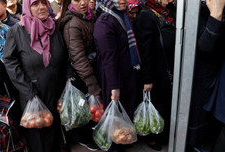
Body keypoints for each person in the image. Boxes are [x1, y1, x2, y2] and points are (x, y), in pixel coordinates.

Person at [3, 0, 67, 151]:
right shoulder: (16, 31)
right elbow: (10, 61)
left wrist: (68, 76)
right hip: (33, 91)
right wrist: (28, 89)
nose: (41, 7)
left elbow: (64, 55)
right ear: (27, 7)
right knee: (38, 135)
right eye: (35, 4)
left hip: (55, 89)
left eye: (44, 3)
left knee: (54, 129)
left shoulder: (53, 27)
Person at [93, 0, 141, 150]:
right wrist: (115, 87)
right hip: (114, 79)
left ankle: (122, 143)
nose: (122, 1)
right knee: (116, 119)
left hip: (126, 75)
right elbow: (109, 59)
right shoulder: (105, 23)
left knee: (123, 116)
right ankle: (115, 146)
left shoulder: (121, 16)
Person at [58, 0, 101, 151]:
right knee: (85, 109)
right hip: (80, 73)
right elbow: (78, 58)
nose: (83, 3)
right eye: (77, 0)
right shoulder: (72, 24)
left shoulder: (92, 16)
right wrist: (91, 82)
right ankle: (84, 138)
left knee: (92, 108)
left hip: (92, 67)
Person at [134, 0, 175, 151]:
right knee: (155, 105)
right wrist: (147, 79)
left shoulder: (169, 12)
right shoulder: (146, 15)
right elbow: (145, 51)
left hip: (167, 69)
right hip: (155, 72)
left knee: (164, 103)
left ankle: (161, 133)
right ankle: (151, 136)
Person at [187, 0, 225, 151]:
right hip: (200, 78)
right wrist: (216, 14)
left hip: (217, 75)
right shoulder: (199, 9)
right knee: (198, 122)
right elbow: (205, 46)